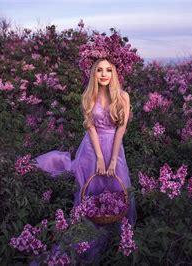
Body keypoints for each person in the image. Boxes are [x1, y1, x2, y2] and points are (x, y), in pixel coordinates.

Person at [33, 57, 137, 262]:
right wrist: (99, 157)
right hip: (92, 148)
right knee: (90, 192)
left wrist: (113, 160)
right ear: (94, 74)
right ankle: (86, 236)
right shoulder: (89, 95)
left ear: (114, 73)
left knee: (119, 187)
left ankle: (118, 238)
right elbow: (90, 127)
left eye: (108, 70)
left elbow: (121, 129)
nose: (104, 74)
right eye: (99, 70)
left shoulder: (123, 96)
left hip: (114, 147)